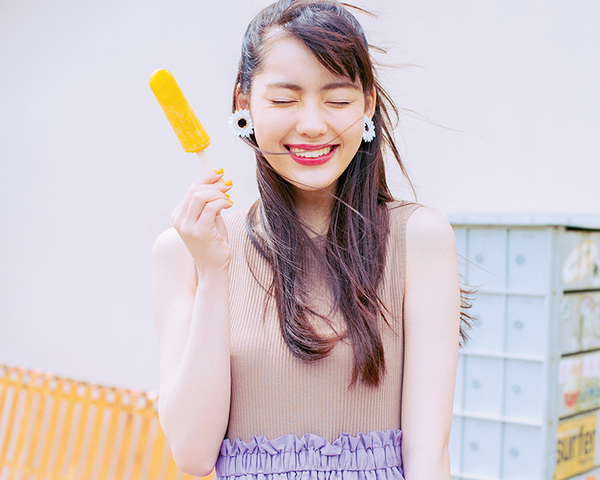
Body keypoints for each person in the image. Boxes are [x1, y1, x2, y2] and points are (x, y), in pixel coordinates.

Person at [151, 1, 468, 479]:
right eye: (284, 100)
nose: (313, 124)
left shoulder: (419, 239)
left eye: (338, 100)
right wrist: (214, 273)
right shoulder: (183, 252)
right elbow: (192, 456)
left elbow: (429, 454)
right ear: (244, 103)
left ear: (368, 104)